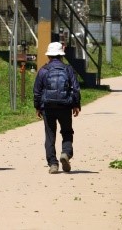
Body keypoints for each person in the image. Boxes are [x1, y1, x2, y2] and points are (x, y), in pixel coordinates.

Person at [33, 41, 81, 174]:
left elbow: (37, 91)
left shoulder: (43, 70)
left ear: (49, 56)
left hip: (47, 107)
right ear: (61, 55)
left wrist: (37, 107)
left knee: (50, 135)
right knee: (66, 131)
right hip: (65, 106)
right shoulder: (68, 69)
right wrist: (76, 104)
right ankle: (66, 153)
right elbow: (76, 88)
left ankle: (53, 164)